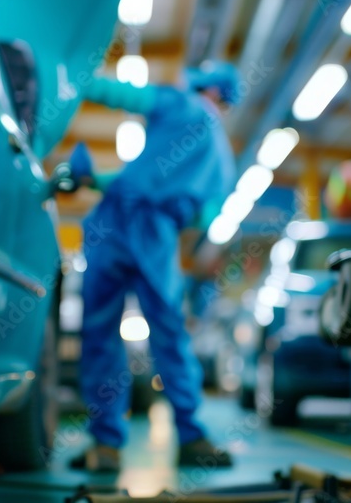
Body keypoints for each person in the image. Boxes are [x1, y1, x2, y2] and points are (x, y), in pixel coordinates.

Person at [66, 61, 239, 472]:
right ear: (223, 99)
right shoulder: (223, 159)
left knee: (100, 333)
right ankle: (192, 437)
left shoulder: (181, 104)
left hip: (112, 224)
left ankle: (105, 446)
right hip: (158, 233)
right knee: (169, 333)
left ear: (206, 89)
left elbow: (123, 95)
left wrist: (75, 77)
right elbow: (203, 219)